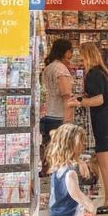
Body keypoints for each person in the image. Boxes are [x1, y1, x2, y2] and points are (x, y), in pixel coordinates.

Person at [73, 42, 108, 214]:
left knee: (105, 161)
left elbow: (99, 99)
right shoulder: (102, 72)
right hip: (107, 119)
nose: (79, 60)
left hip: (103, 121)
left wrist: (81, 102)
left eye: (81, 56)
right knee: (105, 161)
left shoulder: (94, 74)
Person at [46, 122, 97, 216]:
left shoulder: (57, 168)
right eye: (81, 142)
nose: (83, 145)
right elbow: (76, 194)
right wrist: (91, 207)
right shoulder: (70, 173)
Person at [41, 38, 75, 168]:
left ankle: (49, 174)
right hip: (60, 116)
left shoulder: (48, 68)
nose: (71, 55)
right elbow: (66, 95)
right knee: (62, 154)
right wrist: (68, 120)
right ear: (65, 52)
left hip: (48, 113)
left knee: (50, 150)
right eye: (70, 51)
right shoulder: (61, 69)